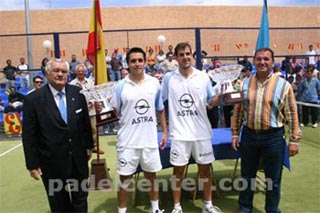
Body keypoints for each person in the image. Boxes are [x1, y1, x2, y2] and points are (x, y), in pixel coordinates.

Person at [231, 48, 301, 213]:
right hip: (249, 136)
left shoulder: (284, 86)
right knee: (247, 176)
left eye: (266, 59)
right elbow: (238, 111)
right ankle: (245, 207)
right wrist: (235, 133)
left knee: (273, 179)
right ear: (254, 61)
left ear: (272, 62)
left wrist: (294, 140)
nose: (262, 62)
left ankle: (272, 209)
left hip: (273, 138)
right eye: (259, 59)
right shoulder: (245, 83)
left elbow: (292, 113)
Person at [22, 58, 94, 212]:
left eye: (64, 71)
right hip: (51, 162)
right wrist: (32, 164)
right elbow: (29, 135)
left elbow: (85, 124)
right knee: (59, 204)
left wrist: (89, 146)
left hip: (78, 159)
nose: (60, 74)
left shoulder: (77, 93)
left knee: (80, 200)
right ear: (47, 74)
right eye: (56, 71)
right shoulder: (33, 99)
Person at [162, 42, 222, 213]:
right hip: (179, 134)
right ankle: (177, 207)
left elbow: (210, 103)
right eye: (181, 54)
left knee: (205, 171)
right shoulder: (168, 78)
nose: (185, 57)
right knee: (178, 172)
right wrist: (165, 130)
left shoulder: (203, 77)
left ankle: (208, 205)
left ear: (192, 56)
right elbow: (162, 104)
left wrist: (221, 94)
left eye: (188, 54)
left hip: (201, 133)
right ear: (176, 57)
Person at [109, 47, 168, 213]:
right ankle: (122, 211)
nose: (137, 64)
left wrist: (164, 131)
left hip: (149, 140)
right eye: (133, 61)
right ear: (127, 64)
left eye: (140, 60)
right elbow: (113, 112)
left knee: (151, 176)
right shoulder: (120, 86)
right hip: (127, 141)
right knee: (125, 179)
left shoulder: (154, 83)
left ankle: (155, 209)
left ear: (145, 62)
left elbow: (160, 109)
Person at [70, 63, 104, 154]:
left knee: (93, 128)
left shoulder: (90, 82)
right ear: (76, 72)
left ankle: (95, 146)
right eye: (79, 71)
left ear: (85, 72)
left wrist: (90, 104)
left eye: (82, 71)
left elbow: (94, 94)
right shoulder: (72, 84)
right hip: (79, 111)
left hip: (91, 109)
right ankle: (82, 147)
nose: (81, 73)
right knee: (80, 129)